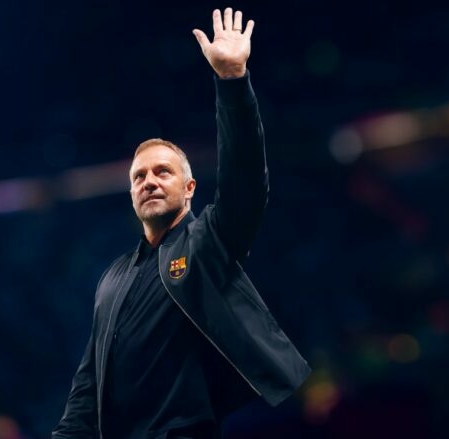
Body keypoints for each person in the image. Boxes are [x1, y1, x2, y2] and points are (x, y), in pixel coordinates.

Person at [52, 8, 310, 439]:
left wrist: (232, 82)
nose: (149, 181)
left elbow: (245, 180)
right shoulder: (112, 278)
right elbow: (88, 385)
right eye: (139, 177)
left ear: (189, 188)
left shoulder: (207, 241)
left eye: (162, 172)